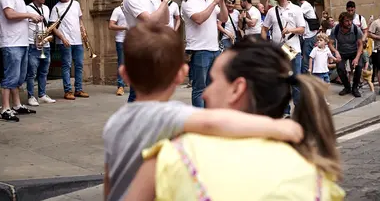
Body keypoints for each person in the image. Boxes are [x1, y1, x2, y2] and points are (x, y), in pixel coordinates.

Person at [103, 23, 304, 201]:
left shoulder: (114, 122)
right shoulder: (168, 114)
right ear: (182, 73)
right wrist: (276, 126)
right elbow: (213, 122)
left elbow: (109, 177)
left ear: (124, 75)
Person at [124, 39, 345, 201]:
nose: (204, 93)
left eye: (212, 81)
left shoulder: (174, 158)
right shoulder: (317, 177)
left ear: (237, 89)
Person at [122, 0, 174, 102]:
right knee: (138, 95)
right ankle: (131, 123)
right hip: (139, 50)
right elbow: (150, 20)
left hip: (152, 49)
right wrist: (164, 1)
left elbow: (164, 20)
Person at [0, 0, 42, 122]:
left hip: (21, 42)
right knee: (11, 76)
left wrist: (31, 18)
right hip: (11, 42)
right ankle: (4, 109)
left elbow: (18, 16)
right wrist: (30, 14)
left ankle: (16, 105)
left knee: (19, 77)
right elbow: (9, 14)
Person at [181, 0, 228, 107]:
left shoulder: (209, 0)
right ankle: (198, 121)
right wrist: (214, 3)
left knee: (211, 88)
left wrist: (222, 2)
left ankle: (208, 119)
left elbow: (224, 18)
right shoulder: (188, 0)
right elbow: (199, 19)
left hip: (214, 49)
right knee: (199, 89)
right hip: (199, 50)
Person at [261, 0, 305, 116]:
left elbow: (302, 30)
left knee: (295, 81)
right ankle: (285, 111)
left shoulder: (296, 9)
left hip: (293, 49)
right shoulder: (271, 11)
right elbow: (264, 28)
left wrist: (290, 30)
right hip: (278, 51)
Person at [50, 0, 89, 100]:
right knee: (66, 66)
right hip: (65, 41)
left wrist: (83, 30)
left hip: (77, 40)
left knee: (79, 65)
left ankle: (78, 89)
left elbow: (79, 20)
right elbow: (53, 27)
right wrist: (62, 38)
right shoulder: (55, 8)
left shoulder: (75, 4)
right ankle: (67, 91)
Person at [26, 0, 56, 106]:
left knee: (44, 71)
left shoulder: (46, 8)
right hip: (33, 44)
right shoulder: (27, 9)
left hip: (45, 44)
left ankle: (42, 95)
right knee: (32, 73)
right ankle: (31, 96)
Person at [329, 12, 363, 97]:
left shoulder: (356, 29)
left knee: (359, 67)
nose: (349, 23)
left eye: (351, 20)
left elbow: (360, 45)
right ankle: (347, 87)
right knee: (340, 68)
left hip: (354, 52)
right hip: (341, 53)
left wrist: (357, 58)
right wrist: (336, 52)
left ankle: (355, 88)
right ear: (341, 22)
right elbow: (330, 43)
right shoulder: (335, 29)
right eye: (347, 21)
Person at [108, 0, 129, 96]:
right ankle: (120, 86)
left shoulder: (134, 9)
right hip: (121, 40)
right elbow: (111, 25)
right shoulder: (117, 10)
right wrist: (125, 27)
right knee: (122, 63)